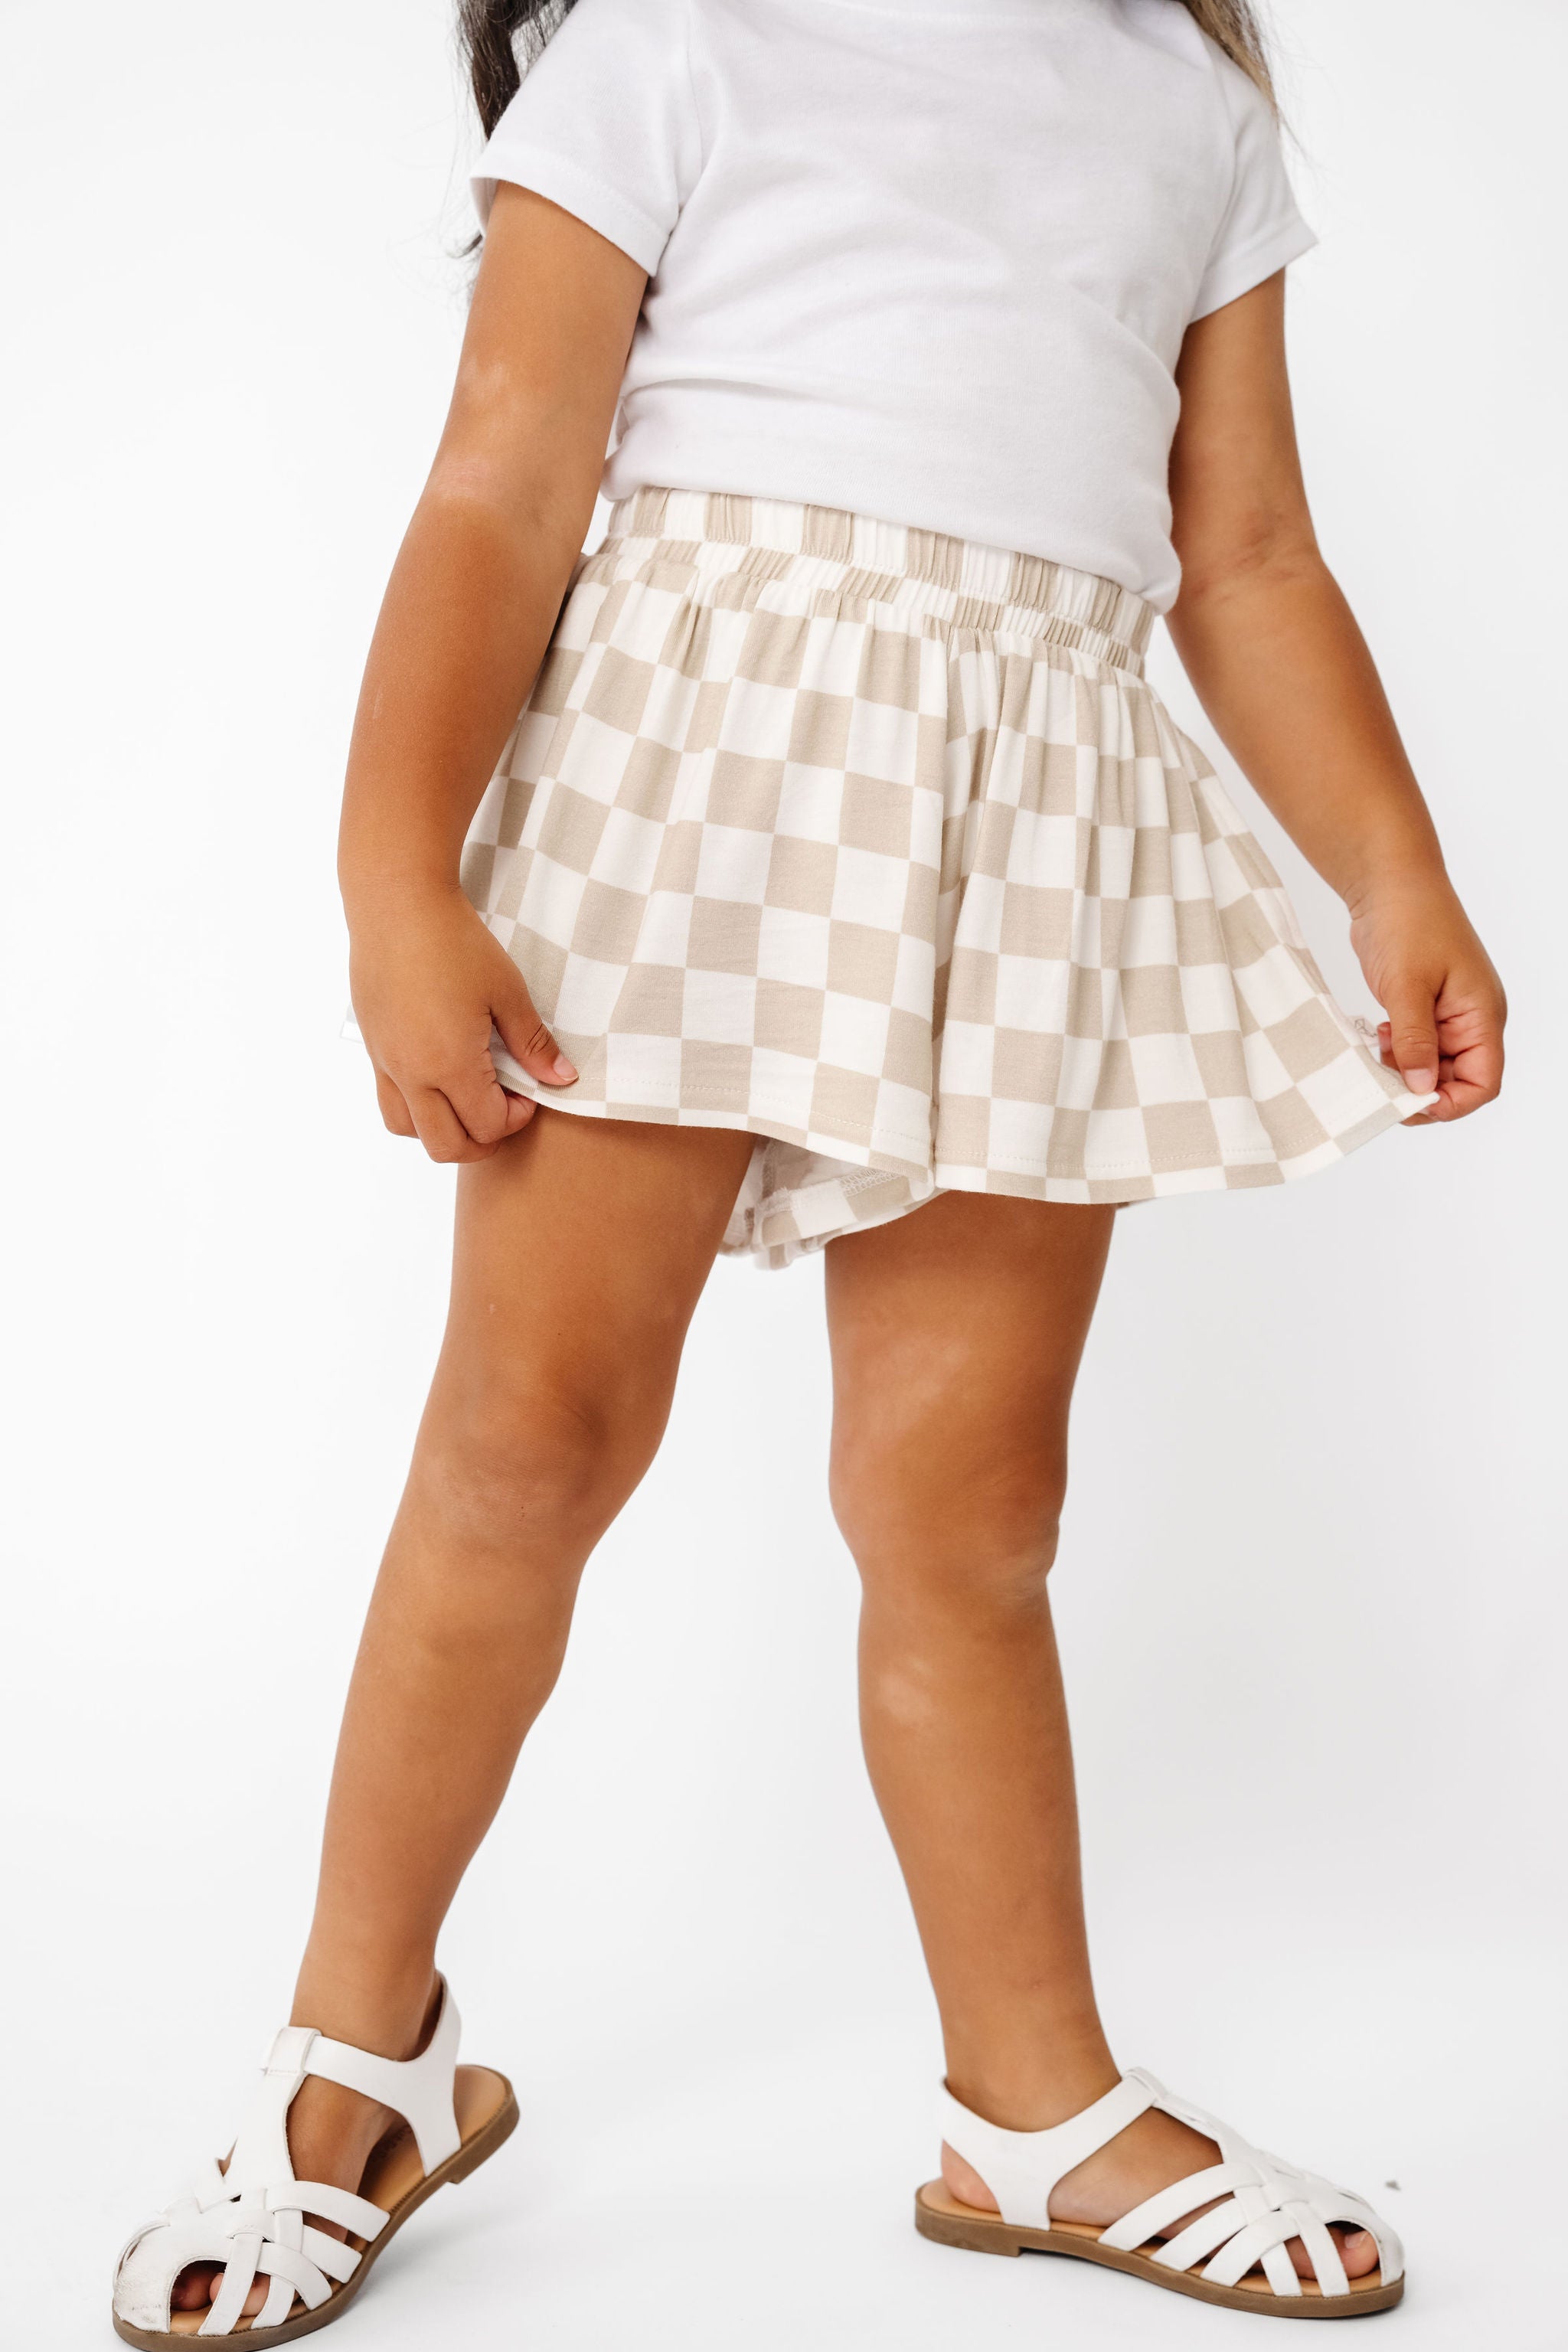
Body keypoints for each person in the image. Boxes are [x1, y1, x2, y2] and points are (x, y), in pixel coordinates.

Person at [111, 0, 1505, 2339]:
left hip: (1027, 837)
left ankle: (1028, 2106)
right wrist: (395, 875)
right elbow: (502, 478)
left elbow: (1250, 555)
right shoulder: (671, 46)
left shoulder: (1188, 115)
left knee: (970, 1512)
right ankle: (362, 2056)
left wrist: (1398, 873)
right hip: (685, 801)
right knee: (526, 1448)